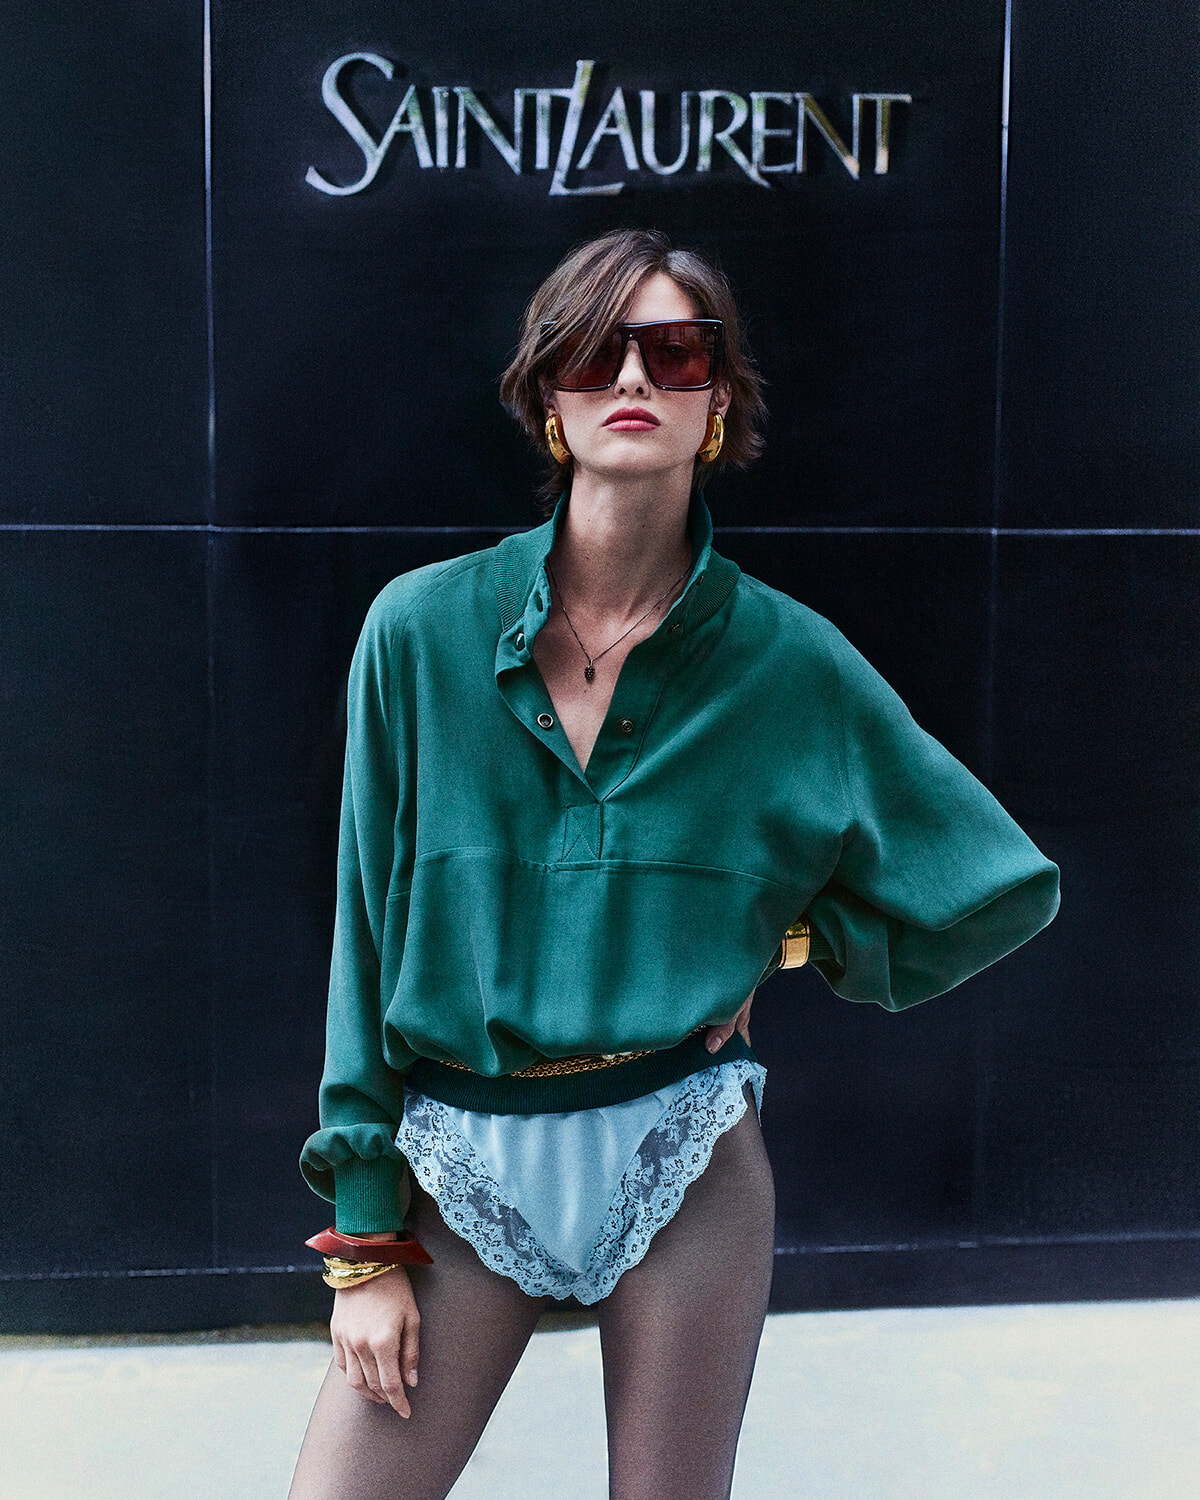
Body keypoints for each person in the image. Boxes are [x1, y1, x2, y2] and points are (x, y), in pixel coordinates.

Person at [289, 228, 1059, 1500]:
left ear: (716, 401)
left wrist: (797, 944)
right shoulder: (416, 631)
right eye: (599, 350)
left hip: (683, 1153)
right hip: (460, 1159)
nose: (634, 374)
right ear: (551, 396)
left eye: (677, 349)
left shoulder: (790, 662)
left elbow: (994, 882)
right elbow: (363, 940)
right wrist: (364, 1244)